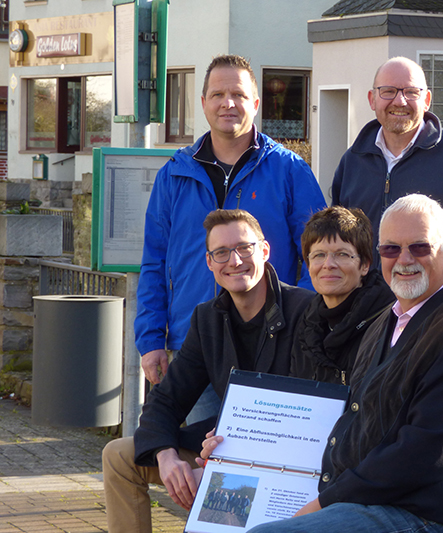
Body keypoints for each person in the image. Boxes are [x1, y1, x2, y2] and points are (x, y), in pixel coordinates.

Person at [202, 194, 443, 533]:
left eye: (419, 247)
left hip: (418, 515)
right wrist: (243, 444)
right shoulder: (391, 319)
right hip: (362, 497)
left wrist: (324, 501)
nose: (403, 260)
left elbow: (420, 458)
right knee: (220, 523)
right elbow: (351, 417)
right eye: (391, 249)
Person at [135, 54, 326, 424]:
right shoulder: (174, 175)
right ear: (203, 103)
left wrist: (303, 319)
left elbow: (318, 253)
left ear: (255, 103)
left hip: (272, 345)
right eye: (218, 94)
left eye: (238, 94)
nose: (228, 103)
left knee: (264, 457)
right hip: (195, 348)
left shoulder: (289, 171)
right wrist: (150, 340)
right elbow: (154, 263)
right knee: (196, 461)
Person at [102, 209, 314, 533]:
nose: (235, 260)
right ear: (209, 262)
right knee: (119, 455)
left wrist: (223, 469)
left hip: (290, 464)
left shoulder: (306, 311)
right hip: (223, 454)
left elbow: (309, 417)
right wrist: (166, 456)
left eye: (244, 247)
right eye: (221, 253)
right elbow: (167, 400)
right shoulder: (207, 319)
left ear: (265, 250)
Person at [331, 56, 443, 284]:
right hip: (366, 313)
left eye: (411, 92)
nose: (400, 101)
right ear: (372, 99)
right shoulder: (353, 161)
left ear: (427, 100)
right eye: (388, 91)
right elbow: (339, 243)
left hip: (438, 311)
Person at [290, 205, 395, 384]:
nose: (328, 264)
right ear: (308, 265)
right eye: (319, 255)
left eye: (342, 254)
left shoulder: (388, 321)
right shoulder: (306, 322)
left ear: (365, 265)